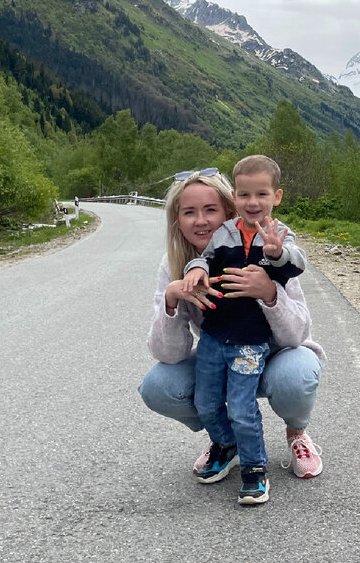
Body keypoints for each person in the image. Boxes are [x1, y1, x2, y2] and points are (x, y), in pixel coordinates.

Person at [138, 166, 324, 505]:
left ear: (228, 210)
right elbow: (169, 354)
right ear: (176, 220)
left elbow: (297, 333)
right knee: (158, 386)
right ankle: (225, 440)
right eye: (189, 212)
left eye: (210, 210)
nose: (200, 221)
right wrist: (172, 299)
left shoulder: (269, 247)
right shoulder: (176, 263)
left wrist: (269, 293)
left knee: (296, 375)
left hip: (274, 352)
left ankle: (296, 432)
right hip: (220, 350)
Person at [174, 155, 307, 505]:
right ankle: (226, 444)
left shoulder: (280, 235)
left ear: (276, 197)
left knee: (242, 408)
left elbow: (297, 263)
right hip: (214, 338)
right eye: (245, 195)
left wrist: (277, 254)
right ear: (235, 196)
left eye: (261, 194)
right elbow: (205, 257)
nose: (252, 203)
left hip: (249, 343)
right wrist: (195, 269)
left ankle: (254, 469)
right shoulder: (224, 234)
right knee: (205, 402)